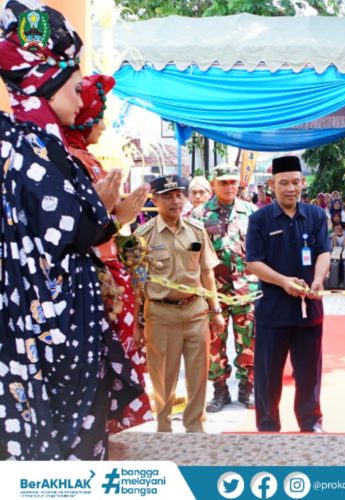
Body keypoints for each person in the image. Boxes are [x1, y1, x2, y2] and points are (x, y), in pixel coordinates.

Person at [0, 0, 145, 459]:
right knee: (56, 451)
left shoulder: (37, 143)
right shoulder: (28, 147)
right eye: (78, 87)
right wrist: (107, 213)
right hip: (47, 336)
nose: (84, 100)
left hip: (61, 327)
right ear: (49, 83)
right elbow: (63, 232)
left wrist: (106, 214)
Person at [62, 73, 153, 433]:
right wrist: (120, 219)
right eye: (99, 114)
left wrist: (121, 223)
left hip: (109, 280)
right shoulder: (73, 161)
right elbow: (79, 231)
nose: (103, 123)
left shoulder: (85, 158)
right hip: (95, 285)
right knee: (99, 375)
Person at [246, 156, 330, 432]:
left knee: (309, 373)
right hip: (273, 310)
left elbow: (323, 252)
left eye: (295, 182)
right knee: (268, 374)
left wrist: (318, 279)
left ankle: (311, 422)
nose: (290, 188)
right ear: (272, 185)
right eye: (283, 183)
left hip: (310, 309)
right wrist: (282, 281)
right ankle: (268, 426)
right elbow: (253, 262)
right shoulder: (259, 219)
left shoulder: (316, 215)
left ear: (303, 183)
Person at [136, 176, 224, 432]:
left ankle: (195, 426)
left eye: (178, 195)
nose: (175, 201)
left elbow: (207, 273)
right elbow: (138, 283)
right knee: (163, 376)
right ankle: (163, 426)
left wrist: (215, 310)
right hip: (161, 314)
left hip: (196, 310)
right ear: (155, 200)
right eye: (167, 196)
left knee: (199, 374)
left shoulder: (197, 231)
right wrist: (137, 324)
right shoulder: (144, 236)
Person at [191, 164, 258, 411]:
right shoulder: (198, 215)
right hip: (213, 291)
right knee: (214, 342)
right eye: (223, 182)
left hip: (245, 289)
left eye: (233, 182)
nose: (229, 186)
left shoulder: (251, 212)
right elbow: (193, 255)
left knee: (249, 341)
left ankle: (247, 387)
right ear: (213, 184)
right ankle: (220, 390)